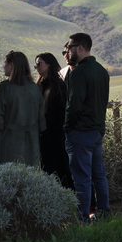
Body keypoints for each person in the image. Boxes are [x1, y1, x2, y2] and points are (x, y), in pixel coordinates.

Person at [63, 32, 111, 222]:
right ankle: (104, 213)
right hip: (97, 131)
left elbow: (74, 104)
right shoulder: (101, 70)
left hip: (81, 132)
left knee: (81, 178)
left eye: (70, 48)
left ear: (80, 48)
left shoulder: (79, 72)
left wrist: (67, 126)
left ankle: (82, 218)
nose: (68, 51)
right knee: (99, 175)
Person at [0, 51, 46, 166]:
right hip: (32, 141)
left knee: (6, 176)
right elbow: (41, 119)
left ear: (12, 65)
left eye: (5, 63)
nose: (3, 66)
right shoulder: (34, 88)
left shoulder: (4, 87)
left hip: (8, 140)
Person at [34, 52, 73, 189]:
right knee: (47, 170)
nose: (36, 67)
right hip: (44, 136)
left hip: (57, 137)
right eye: (35, 64)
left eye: (39, 63)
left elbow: (62, 112)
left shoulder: (58, 86)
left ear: (49, 64)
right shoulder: (39, 86)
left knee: (61, 169)